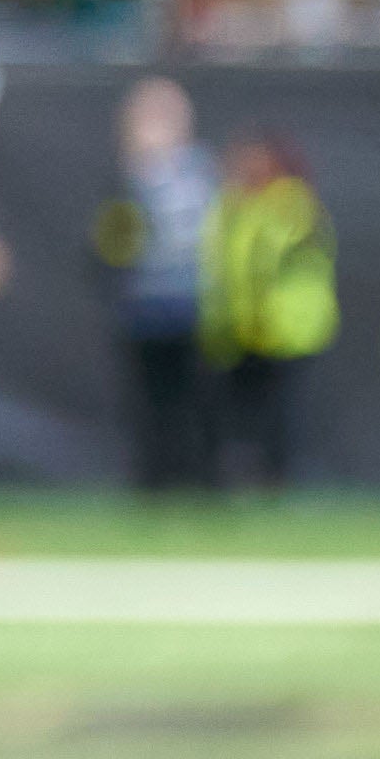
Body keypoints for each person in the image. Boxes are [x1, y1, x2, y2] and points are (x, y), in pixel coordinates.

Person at [91, 76, 218, 491]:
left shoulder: (198, 172)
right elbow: (113, 244)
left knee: (195, 403)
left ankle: (197, 483)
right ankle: (154, 484)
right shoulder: (129, 180)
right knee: (150, 404)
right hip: (145, 308)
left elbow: (198, 236)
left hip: (191, 304)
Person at [203, 134, 340, 490]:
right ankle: (247, 480)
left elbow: (269, 260)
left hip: (287, 328)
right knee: (243, 413)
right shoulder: (235, 204)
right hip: (244, 330)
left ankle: (280, 481)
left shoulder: (290, 201)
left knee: (282, 411)